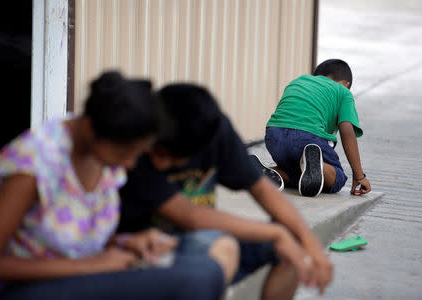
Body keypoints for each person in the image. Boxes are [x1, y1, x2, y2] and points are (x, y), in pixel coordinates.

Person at [0, 72, 228, 300]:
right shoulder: (34, 164)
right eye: (125, 152)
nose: (129, 164)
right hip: (10, 291)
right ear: (90, 128)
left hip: (70, 276)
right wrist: (94, 265)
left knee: (207, 267)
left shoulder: (98, 153)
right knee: (196, 281)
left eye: (137, 153)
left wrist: (126, 242)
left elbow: (67, 240)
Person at [118, 83, 332, 300]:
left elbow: (262, 189)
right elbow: (191, 217)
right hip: (145, 247)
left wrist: (310, 243)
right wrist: (277, 233)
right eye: (157, 150)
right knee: (219, 248)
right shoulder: (138, 144)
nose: (160, 162)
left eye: (170, 157)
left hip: (197, 239)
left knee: (292, 244)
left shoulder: (213, 131)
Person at [263, 58, 371, 197]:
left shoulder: (298, 81)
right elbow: (346, 130)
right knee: (338, 178)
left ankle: (268, 172)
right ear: (346, 84)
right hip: (307, 137)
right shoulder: (343, 92)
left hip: (273, 136)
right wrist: (359, 176)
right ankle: (318, 165)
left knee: (298, 169)